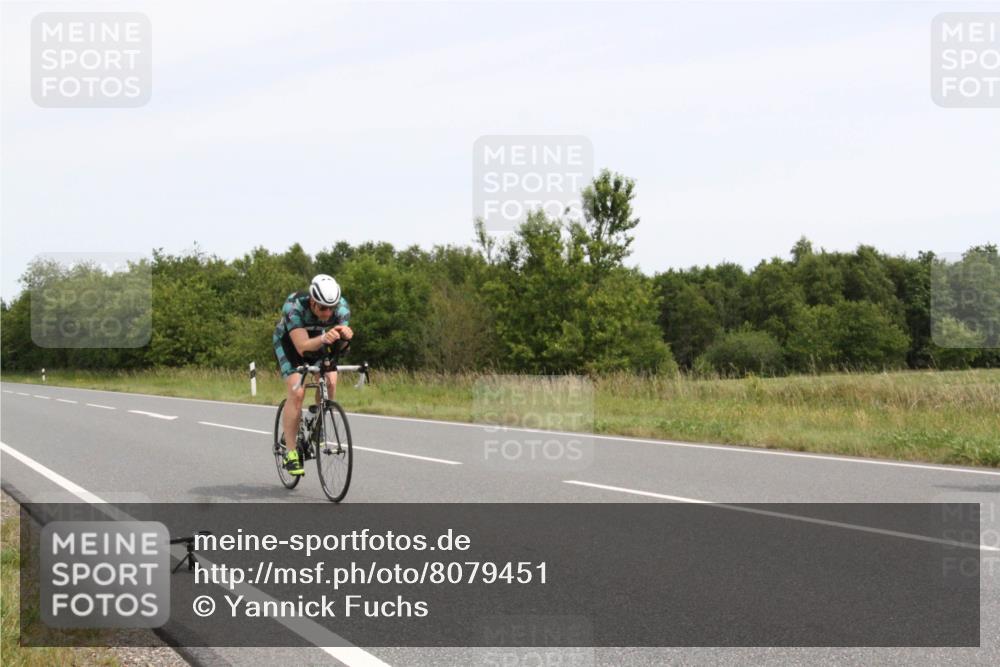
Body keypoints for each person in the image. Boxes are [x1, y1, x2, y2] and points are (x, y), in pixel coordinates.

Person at [273, 274, 353, 475]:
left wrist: (345, 339)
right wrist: (325, 338)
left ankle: (316, 420)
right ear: (312, 302)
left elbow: (341, 347)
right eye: (323, 308)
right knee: (297, 392)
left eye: (332, 308)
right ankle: (291, 453)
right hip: (290, 343)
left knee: (330, 382)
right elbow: (302, 347)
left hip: (320, 341)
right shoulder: (294, 307)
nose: (328, 312)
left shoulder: (342, 309)